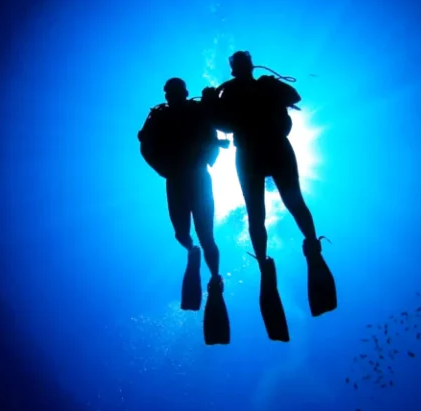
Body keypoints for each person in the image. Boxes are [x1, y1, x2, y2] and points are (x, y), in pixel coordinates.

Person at [202, 51, 337, 343]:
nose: (240, 67)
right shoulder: (248, 88)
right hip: (267, 148)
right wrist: (216, 101)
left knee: (270, 210)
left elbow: (221, 122)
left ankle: (273, 260)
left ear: (241, 67)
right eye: (239, 64)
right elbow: (294, 97)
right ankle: (304, 250)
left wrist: (213, 101)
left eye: (240, 63)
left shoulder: (240, 90)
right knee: (279, 207)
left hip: (257, 150)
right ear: (245, 66)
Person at [138, 77, 231, 345]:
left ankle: (215, 278)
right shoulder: (158, 115)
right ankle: (192, 252)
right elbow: (144, 143)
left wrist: (210, 158)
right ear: (166, 94)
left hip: (197, 177)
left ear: (184, 92)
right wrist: (163, 169)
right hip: (176, 179)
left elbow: (214, 129)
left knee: (206, 234)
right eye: (169, 92)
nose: (172, 96)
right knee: (181, 233)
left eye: (175, 92)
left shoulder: (196, 110)